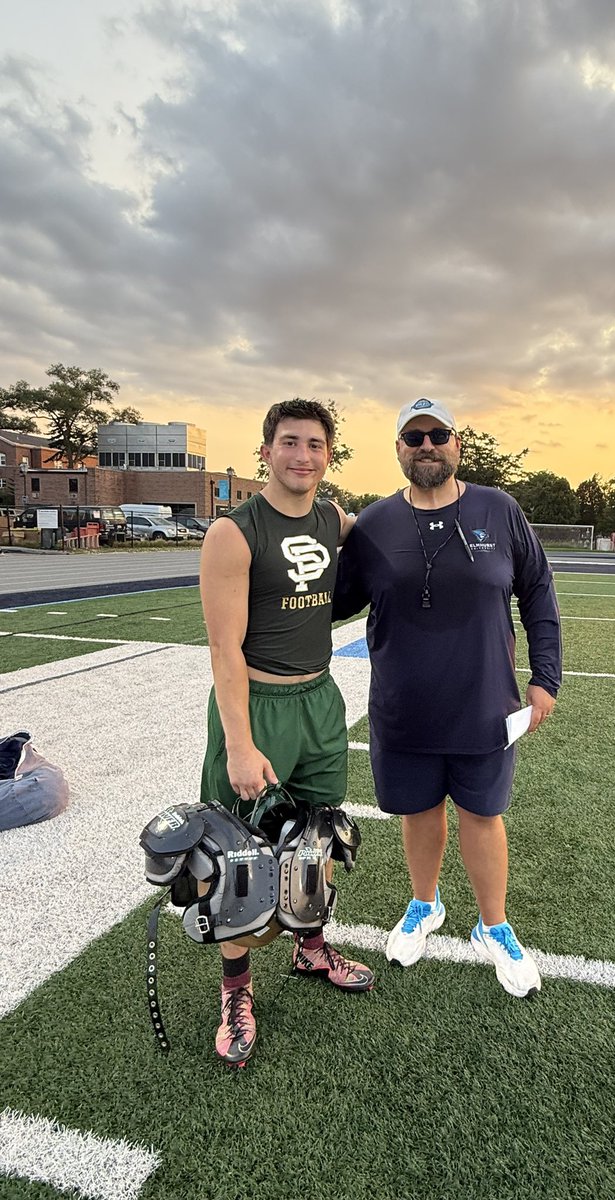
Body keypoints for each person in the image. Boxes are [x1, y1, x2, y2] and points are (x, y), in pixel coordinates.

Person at [333, 398, 561, 998]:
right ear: (399, 450)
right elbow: (333, 603)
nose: (426, 445)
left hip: (484, 703)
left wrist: (546, 679)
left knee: (483, 815)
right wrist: (324, 544)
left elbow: (537, 591)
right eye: (414, 437)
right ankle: (424, 905)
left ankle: (494, 926)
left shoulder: (499, 509)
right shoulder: (375, 522)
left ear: (458, 444)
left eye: (438, 435)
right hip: (403, 705)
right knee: (419, 811)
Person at [199, 398, 374, 1068]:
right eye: (290, 442)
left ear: (329, 456)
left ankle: (310, 947)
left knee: (318, 838)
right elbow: (223, 650)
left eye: (315, 445)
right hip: (258, 708)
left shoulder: (333, 518)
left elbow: (387, 533)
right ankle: (235, 992)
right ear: (266, 451)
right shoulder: (234, 533)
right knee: (238, 860)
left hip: (320, 701)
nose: (303, 456)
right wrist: (241, 744)